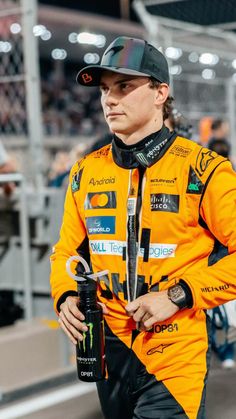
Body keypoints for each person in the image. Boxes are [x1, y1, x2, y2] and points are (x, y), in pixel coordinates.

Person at [50, 36, 236, 419]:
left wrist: (178, 295)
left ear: (159, 93)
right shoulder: (86, 171)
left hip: (175, 357)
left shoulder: (204, 168)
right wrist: (65, 294)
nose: (109, 100)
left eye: (124, 87)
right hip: (109, 350)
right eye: (104, 89)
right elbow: (66, 251)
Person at [207, 135, 236, 369]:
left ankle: (225, 348)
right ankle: (226, 348)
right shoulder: (226, 176)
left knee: (221, 310)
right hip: (222, 254)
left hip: (218, 255)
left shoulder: (210, 176)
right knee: (225, 310)